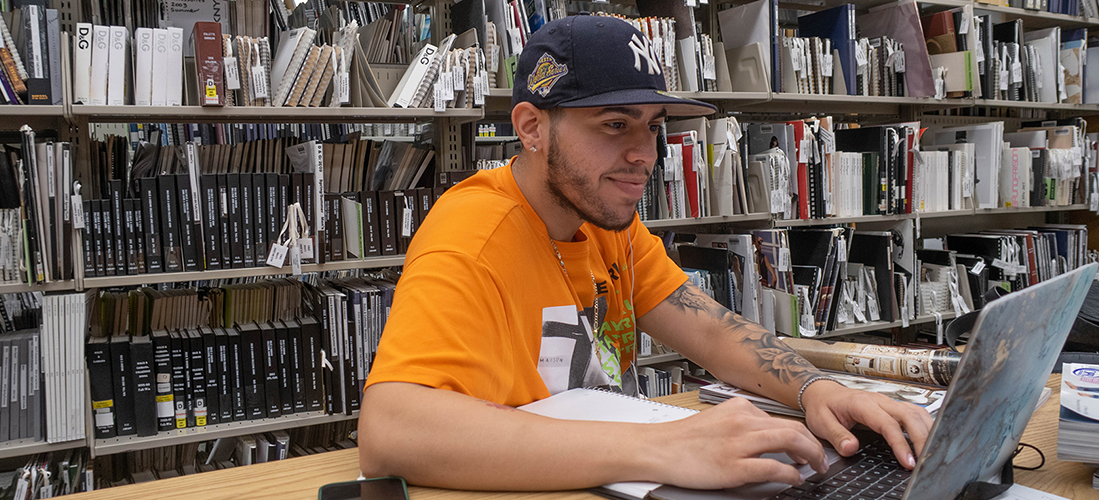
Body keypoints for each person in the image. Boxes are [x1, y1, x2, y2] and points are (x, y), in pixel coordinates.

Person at [358, 14, 932, 491]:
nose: (645, 155)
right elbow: (390, 431)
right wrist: (664, 447)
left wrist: (819, 391)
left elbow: (710, 331)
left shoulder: (604, 216)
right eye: (614, 124)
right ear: (532, 127)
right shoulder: (472, 234)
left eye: (654, 127)